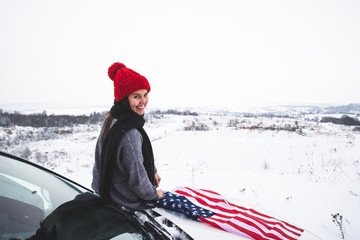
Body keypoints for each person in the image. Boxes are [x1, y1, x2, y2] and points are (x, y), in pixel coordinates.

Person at [91, 62, 163, 210]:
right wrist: (155, 194)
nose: (143, 101)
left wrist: (153, 170)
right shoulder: (130, 133)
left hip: (106, 193)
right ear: (124, 99)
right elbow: (138, 180)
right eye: (137, 96)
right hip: (125, 203)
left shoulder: (112, 119)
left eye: (145, 94)